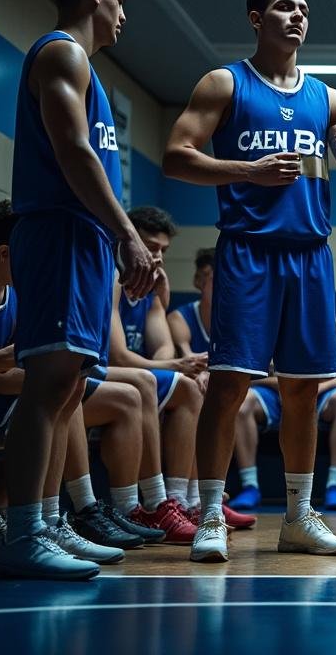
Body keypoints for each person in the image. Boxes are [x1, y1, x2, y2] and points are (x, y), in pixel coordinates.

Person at [163, 0, 336, 562]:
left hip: (311, 256)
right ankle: (210, 512)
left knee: (305, 391)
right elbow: (176, 156)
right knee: (229, 384)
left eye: (304, 9)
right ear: (257, 18)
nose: (297, 17)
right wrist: (247, 170)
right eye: (284, 7)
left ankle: (298, 516)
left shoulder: (327, 97)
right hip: (249, 252)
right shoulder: (224, 83)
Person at [0, 0, 156, 580]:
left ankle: (49, 521)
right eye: (120, 1)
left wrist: (113, 236)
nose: (123, 15)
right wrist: (127, 234)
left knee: (67, 389)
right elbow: (74, 153)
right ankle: (23, 531)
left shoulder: (85, 66)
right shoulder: (62, 51)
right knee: (48, 386)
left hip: (83, 237)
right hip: (63, 231)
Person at [0, 201, 152, 565]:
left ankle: (17, 520)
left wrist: (42, 378)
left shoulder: (15, 292)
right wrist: (8, 358)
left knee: (60, 391)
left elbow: (2, 378)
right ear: (7, 252)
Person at [105, 206, 206, 542]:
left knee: (191, 387)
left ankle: (183, 500)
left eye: (163, 250)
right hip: (104, 372)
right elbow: (118, 354)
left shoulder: (150, 287)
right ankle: (156, 502)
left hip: (133, 374)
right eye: (150, 246)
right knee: (164, 381)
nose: (157, 256)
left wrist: (171, 365)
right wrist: (172, 366)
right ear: (127, 240)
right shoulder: (114, 279)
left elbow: (162, 346)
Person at [232, 318, 336, 511]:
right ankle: (250, 486)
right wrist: (285, 385)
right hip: (272, 393)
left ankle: (335, 485)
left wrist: (312, 389)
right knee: (242, 402)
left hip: (319, 391)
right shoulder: (261, 321)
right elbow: (244, 373)